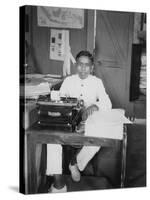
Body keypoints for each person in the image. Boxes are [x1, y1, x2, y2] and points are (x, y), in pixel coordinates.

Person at [46, 50, 112, 193]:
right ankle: (58, 185)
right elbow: (61, 99)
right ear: (76, 65)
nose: (83, 68)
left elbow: (107, 102)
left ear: (92, 67)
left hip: (89, 121)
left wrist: (95, 106)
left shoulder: (97, 82)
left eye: (87, 65)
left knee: (97, 140)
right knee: (51, 139)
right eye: (80, 64)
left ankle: (75, 162)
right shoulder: (69, 81)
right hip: (70, 119)